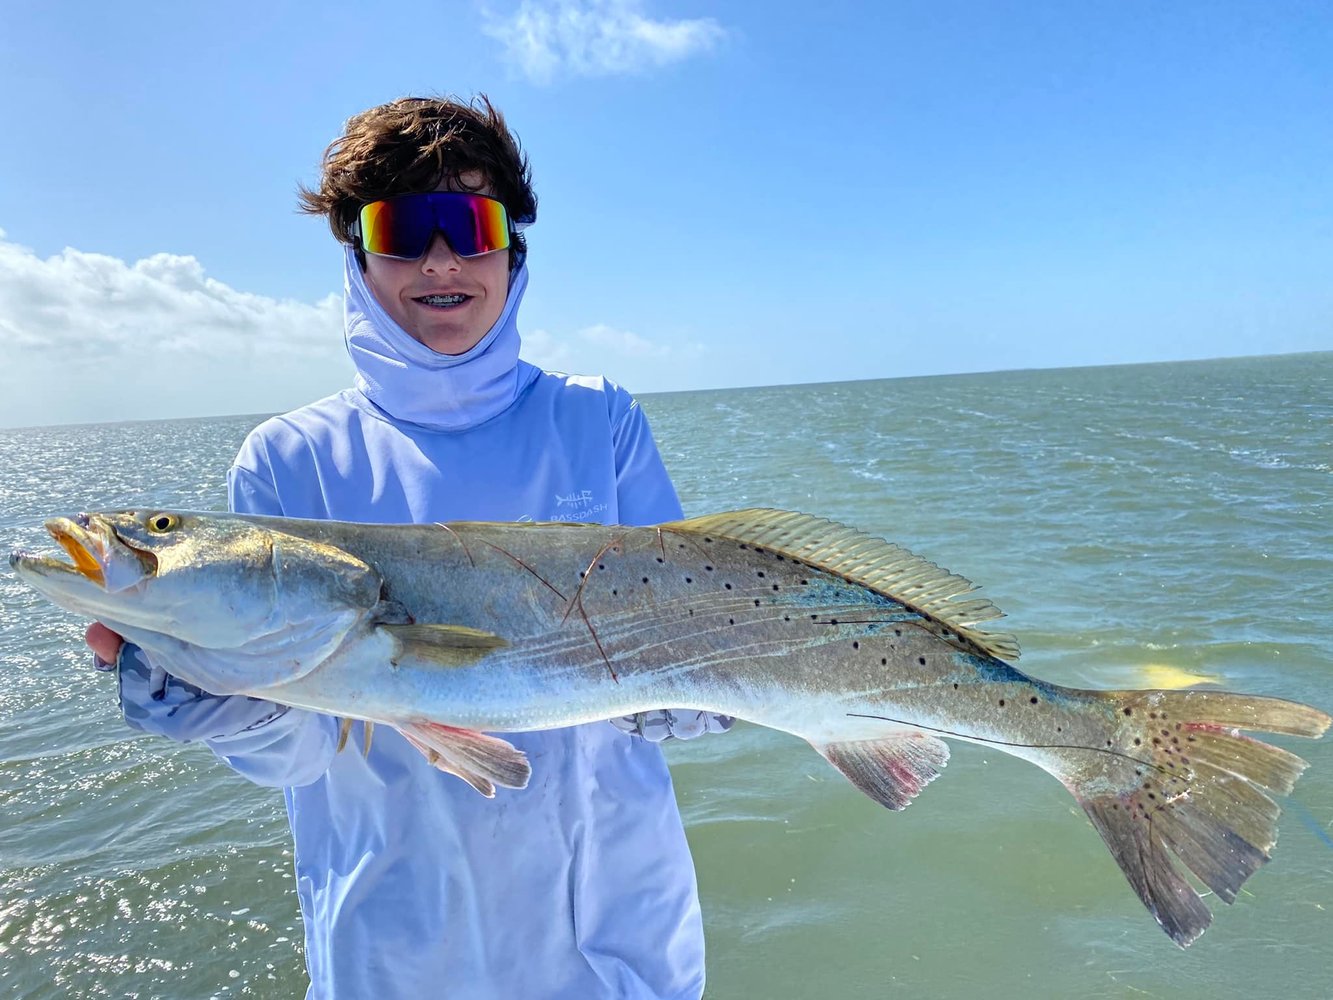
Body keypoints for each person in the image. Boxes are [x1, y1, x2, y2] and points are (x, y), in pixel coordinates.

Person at [85, 94, 731, 1000]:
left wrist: (702, 685)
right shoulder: (289, 460)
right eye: (402, 229)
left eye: (469, 224)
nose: (440, 262)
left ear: (512, 247)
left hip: (619, 933)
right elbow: (304, 755)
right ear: (357, 254)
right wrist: (230, 705)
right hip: (395, 947)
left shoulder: (597, 419)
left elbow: (690, 601)